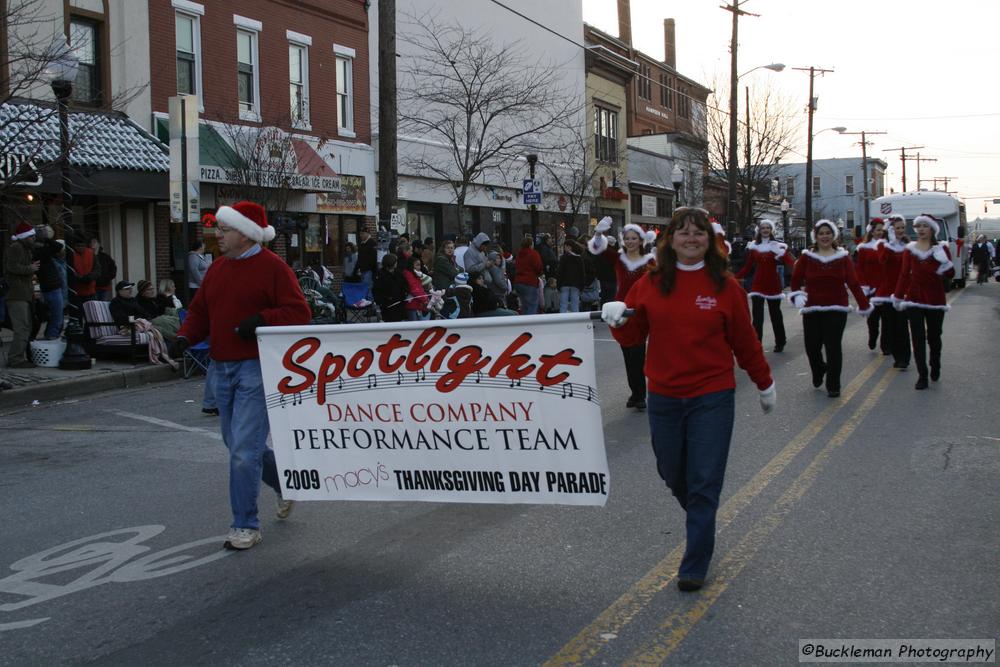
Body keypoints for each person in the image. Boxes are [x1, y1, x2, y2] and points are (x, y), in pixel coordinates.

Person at [599, 206, 775, 592]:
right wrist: (618, 321)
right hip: (663, 395)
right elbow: (633, 339)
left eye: (699, 232)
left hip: (711, 396)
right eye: (683, 232)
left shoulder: (726, 288)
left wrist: (764, 383)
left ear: (709, 241)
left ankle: (695, 561)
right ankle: (701, 515)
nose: (691, 238)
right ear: (670, 239)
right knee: (673, 472)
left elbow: (745, 343)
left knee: (703, 479)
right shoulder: (650, 282)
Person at [173, 201, 311, 550]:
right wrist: (184, 337)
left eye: (224, 229)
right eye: (218, 229)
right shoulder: (218, 269)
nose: (216, 234)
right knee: (237, 445)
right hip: (221, 367)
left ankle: (245, 524)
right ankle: (284, 481)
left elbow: (299, 311)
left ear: (246, 234)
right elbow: (200, 310)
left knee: (242, 452)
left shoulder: (273, 268)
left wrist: (262, 320)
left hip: (256, 367)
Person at [788, 220, 871, 397]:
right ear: (815, 237)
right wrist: (797, 295)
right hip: (812, 308)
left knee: (833, 347)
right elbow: (795, 279)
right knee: (812, 347)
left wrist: (863, 304)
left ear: (833, 236)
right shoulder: (807, 257)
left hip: (836, 308)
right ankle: (818, 370)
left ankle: (834, 385)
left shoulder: (843, 257)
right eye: (821, 233)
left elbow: (853, 282)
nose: (825, 236)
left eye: (828, 233)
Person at [588, 217, 657, 410]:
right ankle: (635, 393)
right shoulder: (618, 258)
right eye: (627, 238)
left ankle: (639, 394)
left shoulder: (649, 261)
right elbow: (598, 250)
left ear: (641, 240)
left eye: (634, 238)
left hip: (638, 312)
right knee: (627, 353)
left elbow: (659, 281)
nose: (630, 241)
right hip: (619, 309)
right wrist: (598, 233)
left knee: (637, 353)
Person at [892, 214, 953, 390]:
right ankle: (922, 375)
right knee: (917, 338)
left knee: (934, 336)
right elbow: (904, 275)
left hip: (935, 299)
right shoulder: (910, 250)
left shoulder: (941, 248)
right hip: (914, 299)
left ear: (932, 229)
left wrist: (943, 260)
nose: (921, 229)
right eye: (918, 226)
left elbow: (950, 274)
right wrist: (897, 296)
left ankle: (935, 364)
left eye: (925, 226)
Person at [733, 219, 794, 352]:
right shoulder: (754, 247)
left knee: (775, 315)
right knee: (757, 318)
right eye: (763, 228)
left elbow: (790, 262)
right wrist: (733, 278)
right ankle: (756, 343)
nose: (765, 230)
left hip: (773, 285)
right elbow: (747, 267)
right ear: (759, 231)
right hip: (758, 285)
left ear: (771, 230)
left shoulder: (778, 246)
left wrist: (801, 272)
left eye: (768, 228)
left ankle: (780, 341)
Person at [873, 214, 910, 370]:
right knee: (891, 326)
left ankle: (904, 358)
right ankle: (896, 354)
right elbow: (882, 261)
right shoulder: (883, 246)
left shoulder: (909, 245)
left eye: (902, 228)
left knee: (902, 325)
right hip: (888, 291)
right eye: (897, 228)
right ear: (891, 230)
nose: (900, 230)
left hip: (904, 291)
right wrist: (891, 244)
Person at [4, 222, 40, 368]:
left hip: (24, 294)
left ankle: (20, 356)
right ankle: (15, 359)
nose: (34, 239)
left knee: (27, 327)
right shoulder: (16, 247)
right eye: (31, 236)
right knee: (22, 328)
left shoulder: (25, 249)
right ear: (24, 237)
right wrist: (30, 268)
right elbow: (11, 267)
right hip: (16, 294)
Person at [855, 218, 889, 353]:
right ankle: (873, 336)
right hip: (871, 288)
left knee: (887, 319)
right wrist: (863, 286)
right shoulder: (863, 248)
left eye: (882, 230)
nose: (880, 232)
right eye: (878, 230)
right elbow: (859, 268)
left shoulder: (888, 246)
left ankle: (886, 345)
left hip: (886, 287)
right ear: (872, 231)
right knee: (873, 319)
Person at [34, 225, 66, 340]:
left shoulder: (39, 251)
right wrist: (46, 238)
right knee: (57, 317)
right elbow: (58, 246)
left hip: (49, 287)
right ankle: (51, 337)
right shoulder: (41, 251)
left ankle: (51, 335)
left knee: (55, 316)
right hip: (51, 287)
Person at [513, 235, 544, 314]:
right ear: (531, 244)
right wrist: (540, 273)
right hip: (530, 282)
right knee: (532, 305)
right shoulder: (533, 253)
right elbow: (538, 267)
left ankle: (525, 324)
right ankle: (531, 325)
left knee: (524, 306)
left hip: (519, 282)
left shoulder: (519, 254)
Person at [373, 253, 407, 322]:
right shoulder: (380, 275)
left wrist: (404, 294)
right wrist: (382, 302)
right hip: (387, 305)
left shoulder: (398, 273)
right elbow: (377, 290)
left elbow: (404, 285)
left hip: (399, 304)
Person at [557, 239, 585, 313]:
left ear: (569, 247)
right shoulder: (579, 258)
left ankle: (562, 320)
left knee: (563, 304)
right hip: (575, 284)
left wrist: (558, 285)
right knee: (575, 304)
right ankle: (576, 321)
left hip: (564, 284)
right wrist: (582, 285)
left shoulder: (563, 258)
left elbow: (560, 272)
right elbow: (582, 273)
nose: (564, 248)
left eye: (565, 246)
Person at [70, 236, 98, 306]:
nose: (80, 248)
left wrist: (89, 277)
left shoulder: (91, 253)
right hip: (76, 292)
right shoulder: (71, 254)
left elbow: (97, 269)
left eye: (82, 246)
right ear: (74, 246)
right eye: (78, 246)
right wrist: (79, 278)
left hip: (90, 290)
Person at [401, 254, 430, 320]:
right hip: (412, 304)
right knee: (414, 326)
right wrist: (425, 299)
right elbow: (414, 289)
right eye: (417, 265)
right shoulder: (409, 275)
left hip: (418, 303)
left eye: (419, 265)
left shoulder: (416, 274)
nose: (419, 267)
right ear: (411, 265)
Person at [90, 237, 117, 301]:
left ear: (99, 244)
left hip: (104, 286)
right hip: (92, 287)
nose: (92, 244)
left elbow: (113, 268)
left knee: (102, 305)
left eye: (94, 242)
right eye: (91, 242)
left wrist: (107, 278)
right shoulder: (88, 257)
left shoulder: (105, 257)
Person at [187, 235, 212, 302]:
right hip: (195, 286)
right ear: (200, 247)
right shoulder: (193, 256)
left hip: (199, 285)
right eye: (203, 246)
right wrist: (201, 283)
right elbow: (194, 270)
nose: (204, 248)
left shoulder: (200, 256)